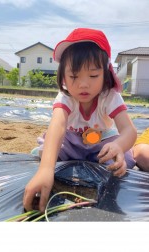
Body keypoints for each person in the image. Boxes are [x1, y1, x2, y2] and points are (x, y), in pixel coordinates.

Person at [23, 28, 137, 212]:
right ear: (63, 76)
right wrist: (45, 170)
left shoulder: (109, 96)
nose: (83, 84)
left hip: (102, 142)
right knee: (49, 153)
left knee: (116, 164)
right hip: (70, 140)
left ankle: (127, 154)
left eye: (93, 75)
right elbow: (58, 126)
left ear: (105, 74)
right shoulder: (65, 97)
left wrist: (120, 146)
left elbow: (129, 131)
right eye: (74, 76)